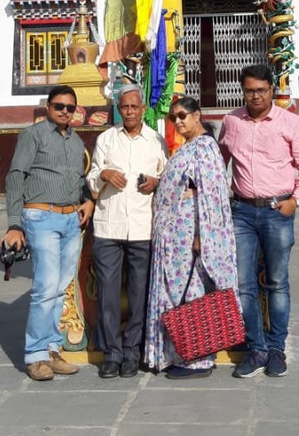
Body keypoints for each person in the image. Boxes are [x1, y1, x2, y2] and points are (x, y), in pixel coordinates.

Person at [219, 63, 299, 379]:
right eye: (250, 91)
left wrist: (296, 199)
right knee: (243, 283)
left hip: (278, 211)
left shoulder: (291, 123)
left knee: (277, 282)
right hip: (242, 212)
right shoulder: (232, 121)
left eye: (261, 90)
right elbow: (218, 162)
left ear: (271, 90)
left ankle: (277, 348)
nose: (256, 96)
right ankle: (256, 348)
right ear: (242, 91)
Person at [2, 85, 94, 381]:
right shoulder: (33, 135)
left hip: (70, 219)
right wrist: (14, 223)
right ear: (48, 107)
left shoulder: (75, 141)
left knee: (60, 287)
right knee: (44, 287)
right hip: (41, 215)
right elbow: (16, 176)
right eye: (59, 106)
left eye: (70, 108)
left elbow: (78, 179)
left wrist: (88, 200)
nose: (65, 111)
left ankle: (52, 349)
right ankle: (35, 355)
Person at [144, 96, 238, 380]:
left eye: (183, 115)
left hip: (191, 238)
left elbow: (211, 196)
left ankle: (197, 359)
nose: (178, 121)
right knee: (176, 295)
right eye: (173, 117)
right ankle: (178, 354)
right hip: (174, 238)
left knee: (192, 294)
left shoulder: (205, 148)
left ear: (197, 115)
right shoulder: (188, 147)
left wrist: (201, 237)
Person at [87, 84, 167, 379]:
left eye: (135, 107)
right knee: (107, 294)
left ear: (143, 109)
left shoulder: (156, 140)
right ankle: (111, 354)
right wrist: (104, 174)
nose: (130, 112)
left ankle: (133, 352)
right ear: (118, 109)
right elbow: (92, 179)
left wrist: (156, 182)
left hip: (143, 227)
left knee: (139, 294)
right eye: (125, 107)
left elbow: (167, 176)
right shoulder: (107, 139)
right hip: (109, 225)